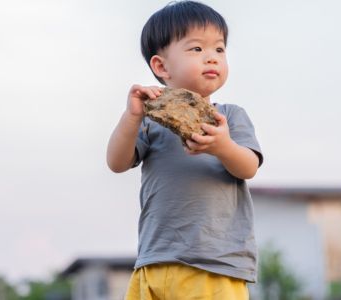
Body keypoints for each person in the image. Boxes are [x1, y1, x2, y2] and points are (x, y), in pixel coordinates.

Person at [106, 1, 263, 299]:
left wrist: (223, 146)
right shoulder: (151, 120)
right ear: (161, 66)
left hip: (213, 266)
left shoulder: (228, 117)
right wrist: (132, 116)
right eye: (197, 49)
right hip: (154, 261)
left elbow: (248, 167)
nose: (212, 58)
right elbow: (116, 162)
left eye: (219, 49)